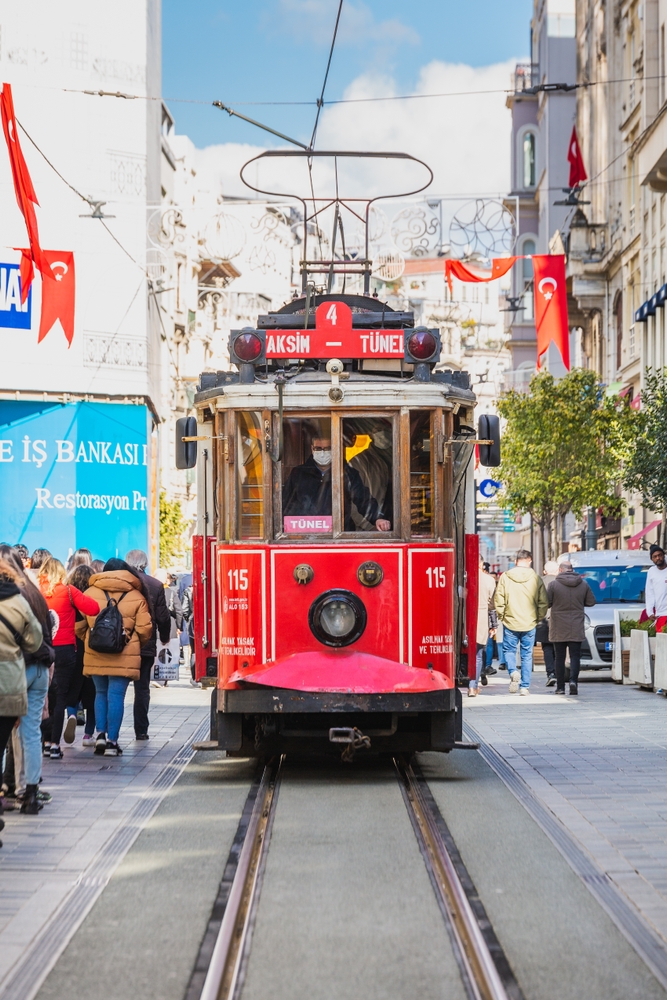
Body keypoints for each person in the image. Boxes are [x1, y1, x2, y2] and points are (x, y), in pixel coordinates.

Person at [77, 559, 152, 756]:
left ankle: (100, 735)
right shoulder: (137, 596)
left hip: (95, 653)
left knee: (100, 693)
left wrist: (89, 639)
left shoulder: (90, 593)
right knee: (116, 696)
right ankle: (112, 742)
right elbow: (145, 630)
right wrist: (133, 642)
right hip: (124, 654)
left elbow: (78, 625)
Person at [37, 557, 100, 759]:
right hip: (64, 651)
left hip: (40, 650)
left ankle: (44, 741)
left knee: (41, 697)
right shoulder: (69, 592)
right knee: (60, 697)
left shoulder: (35, 592)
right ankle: (55, 745)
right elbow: (94, 608)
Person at [0, 558, 44, 834]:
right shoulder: (19, 600)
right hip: (11, 680)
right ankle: (29, 793)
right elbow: (35, 640)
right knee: (18, 738)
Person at [282, 435, 391, 532]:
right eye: (318, 449)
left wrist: (377, 518)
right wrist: (284, 526)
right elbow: (286, 503)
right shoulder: (299, 473)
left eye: (328, 448)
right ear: (312, 449)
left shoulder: (347, 473)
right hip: (308, 534)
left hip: (341, 533)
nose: (323, 452)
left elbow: (362, 498)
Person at [125, 549, 172, 739]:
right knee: (142, 688)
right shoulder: (155, 585)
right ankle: (141, 730)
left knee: (117, 688)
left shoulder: (122, 583)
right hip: (145, 645)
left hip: (122, 643)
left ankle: (110, 732)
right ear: (145, 564)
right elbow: (163, 616)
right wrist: (164, 637)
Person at [494, 549, 548, 695]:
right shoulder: (536, 578)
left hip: (510, 621)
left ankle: (512, 671)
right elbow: (543, 602)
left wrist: (502, 616)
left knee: (509, 651)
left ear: (516, 561)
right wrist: (538, 617)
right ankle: (524, 687)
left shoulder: (505, 577)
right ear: (529, 560)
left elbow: (499, 599)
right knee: (526, 654)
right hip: (529, 622)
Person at [547, 560, 596, 695]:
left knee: (559, 657)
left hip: (558, 626)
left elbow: (547, 603)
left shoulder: (553, 585)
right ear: (572, 569)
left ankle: (561, 687)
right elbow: (591, 602)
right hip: (576, 624)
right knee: (575, 656)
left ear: (560, 570)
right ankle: (573, 682)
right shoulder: (583, 584)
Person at [66, 564, 97, 745]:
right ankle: (88, 734)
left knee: (73, 687)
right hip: (91, 647)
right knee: (91, 693)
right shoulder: (93, 597)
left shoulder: (69, 596)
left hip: (72, 647)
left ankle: (71, 714)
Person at [469, 557, 497, 697]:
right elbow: (492, 605)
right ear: (481, 564)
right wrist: (493, 625)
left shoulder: (463, 576)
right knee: (478, 654)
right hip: (481, 617)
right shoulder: (489, 580)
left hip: (464, 617)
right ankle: (473, 687)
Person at [536, 560, 559, 687]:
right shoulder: (560, 582)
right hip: (558, 619)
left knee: (547, 648)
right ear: (557, 571)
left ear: (545, 571)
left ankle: (551, 673)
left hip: (542, 619)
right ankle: (558, 673)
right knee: (559, 648)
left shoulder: (539, 581)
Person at [646, 544, 667, 632]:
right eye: (655, 556)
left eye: (659, 555)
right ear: (652, 559)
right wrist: (650, 612)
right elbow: (649, 593)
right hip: (660, 615)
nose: (658, 558)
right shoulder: (651, 571)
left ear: (663, 555)